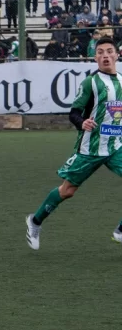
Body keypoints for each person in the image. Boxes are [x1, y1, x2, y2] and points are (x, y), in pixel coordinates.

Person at [26, 37, 122, 249]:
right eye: (100, 52)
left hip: (115, 146)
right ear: (95, 58)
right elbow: (74, 113)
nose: (105, 55)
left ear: (117, 55)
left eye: (109, 51)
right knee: (67, 191)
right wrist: (82, 122)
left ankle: (120, 231)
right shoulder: (91, 83)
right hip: (91, 148)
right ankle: (35, 221)